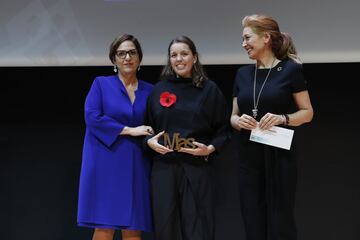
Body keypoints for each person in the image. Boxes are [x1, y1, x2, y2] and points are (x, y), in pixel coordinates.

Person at [230, 14, 314, 240]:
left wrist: (283, 118)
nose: (243, 44)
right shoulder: (242, 74)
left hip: (279, 156)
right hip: (249, 156)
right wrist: (238, 122)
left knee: (280, 219)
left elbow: (307, 113)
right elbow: (233, 116)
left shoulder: (290, 70)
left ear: (266, 37)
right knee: (252, 217)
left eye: (247, 37)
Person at [145, 36, 230, 240]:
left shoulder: (209, 90)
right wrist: (149, 142)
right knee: (165, 228)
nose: (179, 59)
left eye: (184, 54)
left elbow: (224, 130)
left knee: (198, 229)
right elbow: (148, 129)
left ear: (194, 57)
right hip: (164, 168)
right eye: (174, 55)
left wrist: (209, 149)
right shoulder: (158, 90)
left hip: (197, 167)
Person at [77, 34, 154, 240]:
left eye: (132, 52)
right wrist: (130, 130)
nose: (127, 57)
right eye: (121, 53)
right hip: (105, 160)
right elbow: (92, 117)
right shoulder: (101, 84)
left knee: (133, 227)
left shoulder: (151, 91)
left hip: (136, 162)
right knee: (104, 227)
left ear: (139, 58)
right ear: (114, 59)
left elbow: (155, 125)